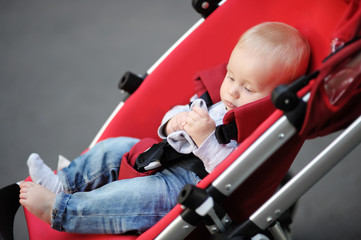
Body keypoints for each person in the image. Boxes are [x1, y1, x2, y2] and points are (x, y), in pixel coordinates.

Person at [1, 21, 310, 237]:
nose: (232, 91)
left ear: (274, 97)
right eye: (231, 77)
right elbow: (181, 113)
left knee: (131, 196)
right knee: (114, 147)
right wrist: (172, 121)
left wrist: (204, 139)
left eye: (248, 87)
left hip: (185, 188)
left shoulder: (256, 129)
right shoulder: (219, 101)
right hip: (162, 155)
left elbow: (232, 172)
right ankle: (64, 182)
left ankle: (62, 211)